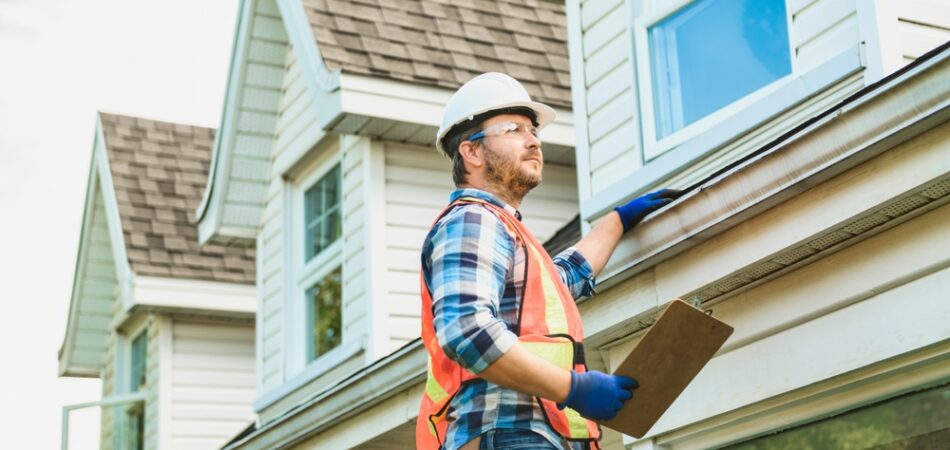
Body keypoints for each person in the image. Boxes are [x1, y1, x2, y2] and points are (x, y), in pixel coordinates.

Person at [416, 72, 680, 450]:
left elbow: (560, 280)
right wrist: (573, 387)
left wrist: (616, 221)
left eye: (534, 131)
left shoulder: (504, 229)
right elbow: (467, 330)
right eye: (514, 129)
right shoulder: (473, 219)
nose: (533, 141)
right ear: (471, 152)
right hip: (508, 433)